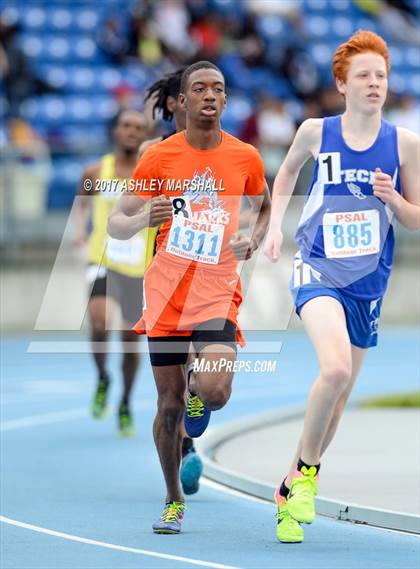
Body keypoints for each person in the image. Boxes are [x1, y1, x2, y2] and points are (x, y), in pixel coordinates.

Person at [264, 30, 419, 543]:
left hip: (368, 281)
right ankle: (307, 478)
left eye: (381, 75)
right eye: (364, 76)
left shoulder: (405, 143)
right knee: (332, 370)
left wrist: (395, 202)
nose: (375, 84)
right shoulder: (315, 131)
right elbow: (284, 176)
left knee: (340, 394)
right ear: (342, 84)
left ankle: (289, 487)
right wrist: (270, 231)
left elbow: (416, 217)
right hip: (317, 266)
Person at [108, 61, 271, 533]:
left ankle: (202, 394)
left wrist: (254, 238)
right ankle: (173, 497)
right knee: (168, 406)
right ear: (181, 100)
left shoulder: (245, 157)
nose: (209, 95)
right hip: (165, 292)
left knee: (214, 391)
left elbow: (264, 207)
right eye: (198, 88)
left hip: (217, 286)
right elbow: (117, 221)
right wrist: (142, 221)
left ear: (225, 101)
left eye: (217, 89)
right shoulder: (159, 156)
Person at [141, 67, 204, 497]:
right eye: (187, 96)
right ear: (173, 104)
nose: (198, 103)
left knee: (199, 368)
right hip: (163, 273)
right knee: (170, 391)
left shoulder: (221, 147)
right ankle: (184, 448)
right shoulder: (156, 150)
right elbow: (128, 208)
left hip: (210, 275)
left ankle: (197, 406)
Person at [73, 109, 154, 437]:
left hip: (137, 266)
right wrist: (80, 230)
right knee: (99, 321)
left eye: (139, 127)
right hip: (102, 258)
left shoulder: (151, 174)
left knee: (130, 338)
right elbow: (81, 203)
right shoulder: (96, 171)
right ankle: (104, 376)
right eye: (126, 126)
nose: (132, 132)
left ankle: (124, 400)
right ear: (116, 131)